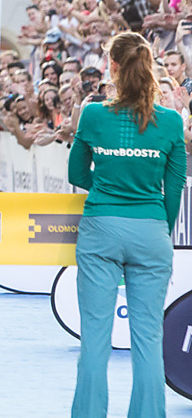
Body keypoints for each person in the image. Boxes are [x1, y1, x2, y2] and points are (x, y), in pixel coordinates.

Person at [67, 31, 185, 418]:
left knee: (96, 339)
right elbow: (173, 191)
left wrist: (107, 186)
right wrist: (159, 228)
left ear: (112, 67)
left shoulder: (94, 114)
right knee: (148, 338)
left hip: (102, 226)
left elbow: (76, 172)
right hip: (151, 230)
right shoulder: (170, 122)